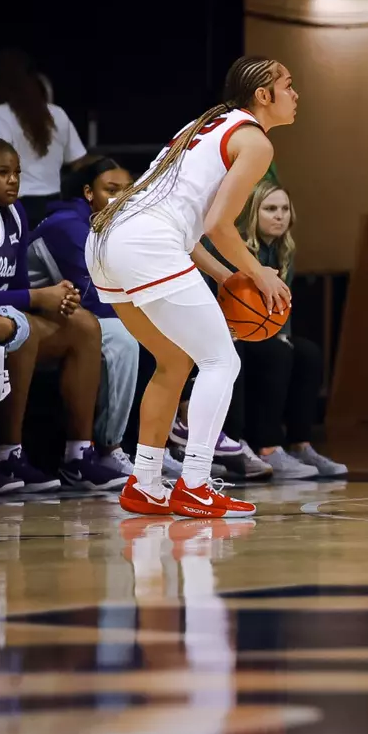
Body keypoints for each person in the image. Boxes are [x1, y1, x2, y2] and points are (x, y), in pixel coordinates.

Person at [89, 56, 297, 519]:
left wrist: (227, 276)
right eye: (288, 85)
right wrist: (258, 272)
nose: (295, 94)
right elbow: (220, 225)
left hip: (107, 240)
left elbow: (193, 227)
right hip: (146, 242)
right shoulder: (255, 141)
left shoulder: (206, 124)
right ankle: (196, 483)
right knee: (221, 359)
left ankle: (144, 483)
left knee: (174, 360)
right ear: (263, 96)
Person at [0, 136, 121, 492]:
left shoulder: (16, 213)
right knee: (25, 330)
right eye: (2, 172)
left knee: (83, 323)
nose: (13, 180)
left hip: (6, 315)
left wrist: (56, 299)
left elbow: (19, 285)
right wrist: (38, 296)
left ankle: (78, 455)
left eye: (17, 172)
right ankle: (6, 453)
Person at [204, 180, 345, 479]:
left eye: (284, 209)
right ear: (253, 213)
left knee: (307, 352)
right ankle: (262, 446)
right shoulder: (234, 246)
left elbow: (281, 309)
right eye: (270, 209)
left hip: (258, 330)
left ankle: (299, 444)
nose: (279, 216)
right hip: (226, 328)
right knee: (275, 352)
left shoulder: (284, 250)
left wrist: (281, 334)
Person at [26, 156, 145, 475]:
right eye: (111, 189)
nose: (121, 198)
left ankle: (161, 445)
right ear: (88, 193)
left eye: (128, 191)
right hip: (38, 316)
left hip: (74, 318)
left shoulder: (117, 227)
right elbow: (94, 296)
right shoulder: (67, 225)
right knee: (123, 339)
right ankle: (108, 448)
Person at [0, 48, 89, 226]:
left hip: (17, 205)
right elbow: (79, 160)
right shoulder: (58, 114)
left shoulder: (0, 115)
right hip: (55, 205)